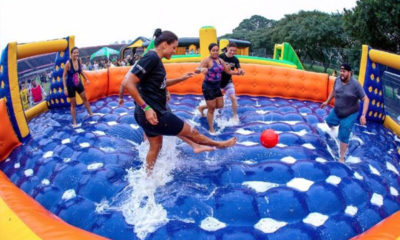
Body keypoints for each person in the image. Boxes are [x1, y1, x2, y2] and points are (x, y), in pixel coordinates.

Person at [121, 29, 236, 174]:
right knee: (192, 132)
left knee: (155, 146)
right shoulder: (152, 58)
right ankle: (219, 145)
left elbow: (159, 83)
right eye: (173, 47)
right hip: (155, 114)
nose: (174, 51)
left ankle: (147, 177)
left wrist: (181, 78)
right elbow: (128, 82)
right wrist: (146, 108)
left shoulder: (155, 60)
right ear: (164, 44)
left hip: (146, 115)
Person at [320, 63, 369, 163]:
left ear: (350, 73)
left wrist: (363, 115)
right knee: (328, 122)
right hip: (337, 110)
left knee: (344, 134)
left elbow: (366, 99)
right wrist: (327, 101)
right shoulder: (337, 80)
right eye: (341, 71)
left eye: (344, 71)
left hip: (349, 114)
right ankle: (335, 130)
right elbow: (334, 91)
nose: (341, 73)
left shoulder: (355, 85)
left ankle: (342, 157)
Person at [196, 43, 241, 133]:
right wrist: (201, 70)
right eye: (213, 50)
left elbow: (228, 71)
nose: (215, 52)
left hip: (217, 86)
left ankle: (202, 108)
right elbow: (196, 70)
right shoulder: (207, 60)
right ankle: (211, 129)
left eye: (217, 50)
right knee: (211, 109)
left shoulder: (220, 60)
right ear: (210, 51)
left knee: (220, 105)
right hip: (208, 86)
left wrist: (238, 73)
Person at [62, 46, 94, 127]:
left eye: (77, 52)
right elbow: (64, 76)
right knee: (73, 104)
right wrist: (65, 88)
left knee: (85, 98)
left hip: (78, 83)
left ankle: (90, 113)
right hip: (70, 86)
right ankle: (74, 122)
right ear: (71, 54)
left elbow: (81, 71)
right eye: (74, 53)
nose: (76, 54)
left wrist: (86, 79)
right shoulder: (68, 64)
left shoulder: (79, 60)